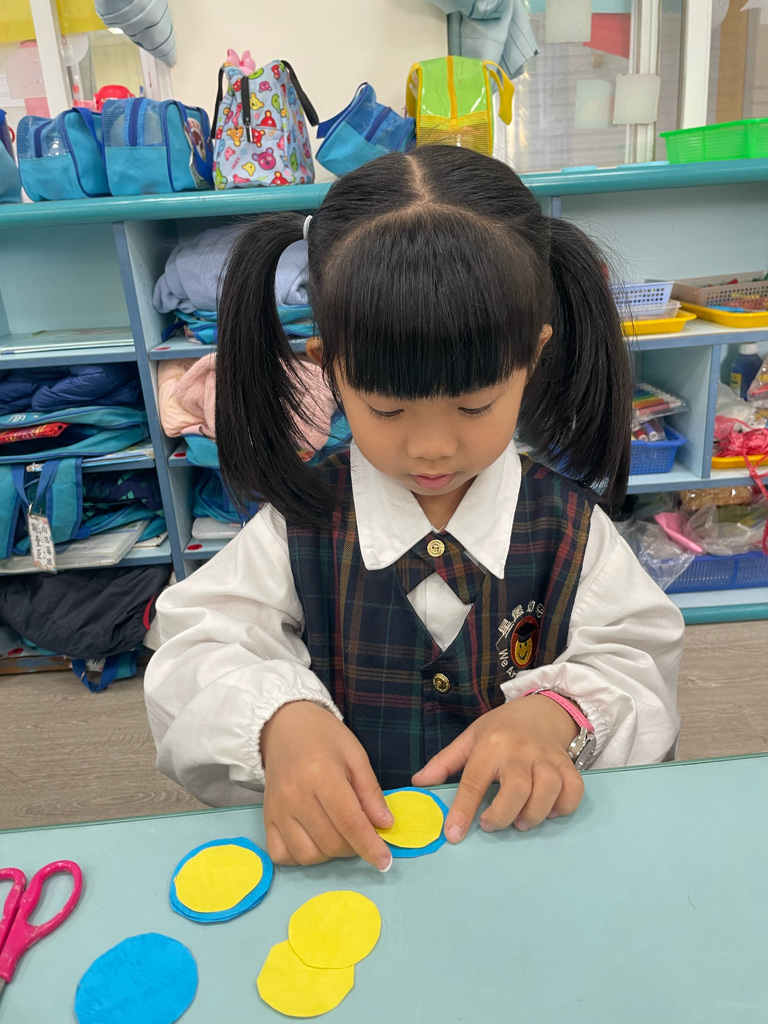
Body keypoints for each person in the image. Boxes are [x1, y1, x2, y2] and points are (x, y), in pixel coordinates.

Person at [144, 146, 683, 873]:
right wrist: (278, 721)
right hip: (355, 861)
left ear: (532, 358)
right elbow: (197, 645)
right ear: (329, 366)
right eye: (388, 408)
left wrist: (559, 714)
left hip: (523, 855)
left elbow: (639, 662)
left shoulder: (571, 528)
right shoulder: (301, 522)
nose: (432, 448)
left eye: (475, 405)